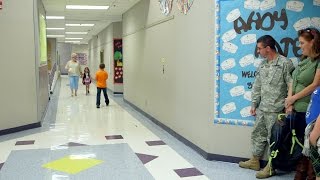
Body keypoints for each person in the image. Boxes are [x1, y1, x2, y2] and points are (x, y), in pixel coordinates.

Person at [238, 35, 294, 179]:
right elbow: (257, 86)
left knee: (274, 140)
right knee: (257, 134)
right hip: (263, 108)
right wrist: (253, 104)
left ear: (268, 48)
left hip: (277, 110)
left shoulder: (285, 63)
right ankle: (255, 161)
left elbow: (291, 84)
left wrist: (289, 103)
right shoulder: (262, 64)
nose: (258, 51)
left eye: (259, 48)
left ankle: (271, 166)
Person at [285, 28, 320, 180]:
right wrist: (289, 101)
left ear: (313, 42)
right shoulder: (303, 60)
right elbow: (293, 80)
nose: (299, 46)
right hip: (295, 108)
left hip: (310, 109)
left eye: (301, 43)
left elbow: (315, 84)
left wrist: (293, 99)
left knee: (310, 143)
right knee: (299, 143)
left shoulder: (318, 62)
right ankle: (301, 172)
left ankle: (310, 175)